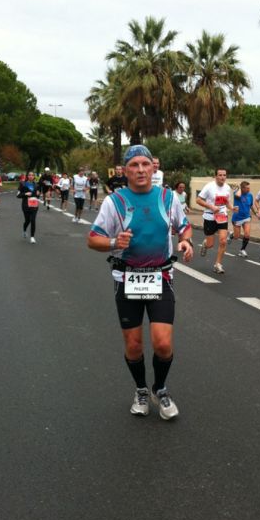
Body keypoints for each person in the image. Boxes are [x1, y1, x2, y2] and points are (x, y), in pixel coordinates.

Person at [87, 144, 193, 420]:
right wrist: (114, 242)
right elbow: (93, 239)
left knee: (163, 344)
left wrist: (185, 241)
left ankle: (160, 388)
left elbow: (184, 226)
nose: (141, 170)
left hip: (161, 277)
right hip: (127, 279)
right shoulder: (115, 202)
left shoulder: (168, 197)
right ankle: (141, 390)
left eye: (145, 164)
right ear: (125, 171)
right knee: (134, 345)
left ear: (153, 168)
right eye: (134, 165)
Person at [196, 168, 235, 274]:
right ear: (216, 176)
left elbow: (226, 202)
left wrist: (232, 208)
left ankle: (217, 264)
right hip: (210, 216)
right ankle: (205, 244)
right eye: (220, 175)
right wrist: (211, 207)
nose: (222, 177)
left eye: (224, 175)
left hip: (222, 215)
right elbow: (198, 200)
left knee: (223, 241)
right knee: (210, 244)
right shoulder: (209, 187)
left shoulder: (227, 188)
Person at [230, 181, 257, 257]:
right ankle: (232, 235)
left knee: (247, 235)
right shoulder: (237, 193)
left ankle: (242, 250)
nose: (249, 189)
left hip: (246, 217)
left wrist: (256, 213)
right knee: (236, 237)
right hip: (237, 218)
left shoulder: (250, 195)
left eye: (249, 188)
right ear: (242, 188)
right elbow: (238, 195)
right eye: (247, 188)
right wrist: (239, 188)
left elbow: (251, 205)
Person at [17, 171, 42, 243]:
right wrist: (25, 194)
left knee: (33, 220)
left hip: (34, 205)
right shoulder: (23, 184)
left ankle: (32, 237)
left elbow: (37, 195)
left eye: (32, 175)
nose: (31, 176)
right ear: (27, 176)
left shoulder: (37, 185)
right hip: (25, 205)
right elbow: (18, 195)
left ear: (34, 177)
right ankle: (24, 230)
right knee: (27, 220)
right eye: (29, 175)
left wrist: (38, 194)